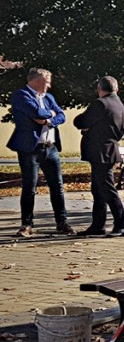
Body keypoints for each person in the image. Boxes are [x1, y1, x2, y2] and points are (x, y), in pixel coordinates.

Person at [6, 68, 74, 237]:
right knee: (30, 187)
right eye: (47, 81)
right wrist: (50, 115)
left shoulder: (48, 97)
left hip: (50, 148)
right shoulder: (21, 95)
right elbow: (36, 112)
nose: (49, 86)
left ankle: (62, 222)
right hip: (30, 149)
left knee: (57, 186)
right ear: (37, 81)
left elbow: (62, 115)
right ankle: (26, 225)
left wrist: (48, 120)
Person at [74, 76, 124, 237]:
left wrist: (87, 128)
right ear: (116, 89)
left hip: (99, 151)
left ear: (99, 89)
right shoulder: (119, 105)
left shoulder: (100, 103)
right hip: (110, 148)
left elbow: (81, 121)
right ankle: (98, 225)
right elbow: (122, 129)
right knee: (98, 189)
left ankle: (121, 224)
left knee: (107, 189)